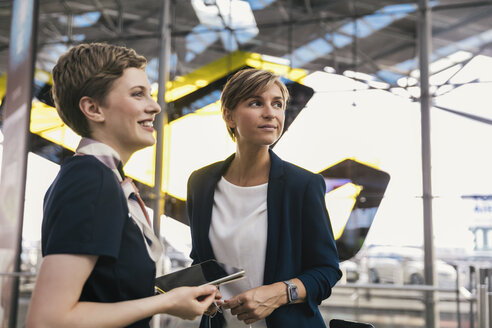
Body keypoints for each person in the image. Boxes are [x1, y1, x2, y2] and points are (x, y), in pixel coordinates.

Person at [26, 43, 218, 328]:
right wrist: (165, 302)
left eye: (149, 94)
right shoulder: (91, 179)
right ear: (93, 108)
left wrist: (171, 296)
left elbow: (103, 294)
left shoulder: (99, 176)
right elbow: (48, 319)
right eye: (137, 94)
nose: (154, 106)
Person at [186, 68, 342, 328]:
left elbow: (326, 271)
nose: (270, 113)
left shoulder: (303, 185)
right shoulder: (201, 183)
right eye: (256, 102)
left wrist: (279, 294)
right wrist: (199, 291)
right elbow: (201, 262)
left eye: (277, 104)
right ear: (228, 115)